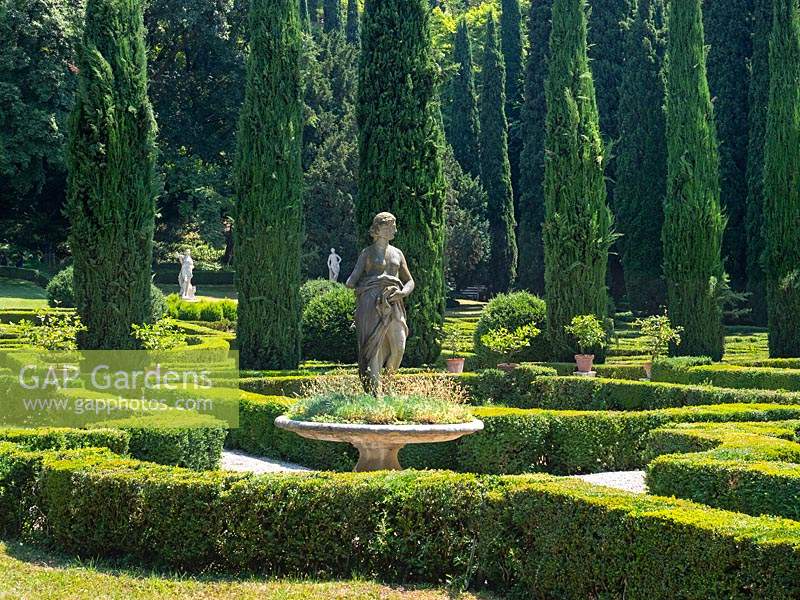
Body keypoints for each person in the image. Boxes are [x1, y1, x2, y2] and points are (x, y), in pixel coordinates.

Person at [346, 212, 415, 394]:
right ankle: (377, 394)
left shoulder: (397, 253)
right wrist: (376, 281)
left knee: (399, 347)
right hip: (371, 305)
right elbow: (351, 282)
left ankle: (389, 384)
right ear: (377, 229)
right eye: (389, 226)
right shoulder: (367, 253)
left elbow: (410, 281)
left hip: (394, 303)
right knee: (374, 347)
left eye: (394, 226)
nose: (394, 229)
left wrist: (402, 292)